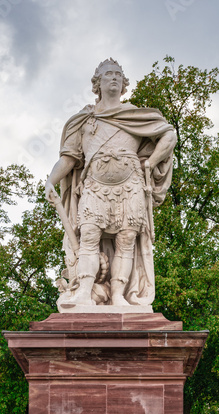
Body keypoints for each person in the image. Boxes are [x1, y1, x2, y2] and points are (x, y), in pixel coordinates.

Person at [45, 58, 176, 308]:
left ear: (124, 83)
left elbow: (169, 135)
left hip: (131, 188)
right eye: (108, 74)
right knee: (89, 237)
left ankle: (118, 295)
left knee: (126, 240)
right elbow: (69, 158)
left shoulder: (135, 115)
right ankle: (84, 291)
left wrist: (150, 162)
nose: (114, 77)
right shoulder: (83, 120)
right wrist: (51, 180)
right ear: (98, 83)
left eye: (118, 74)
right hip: (94, 187)